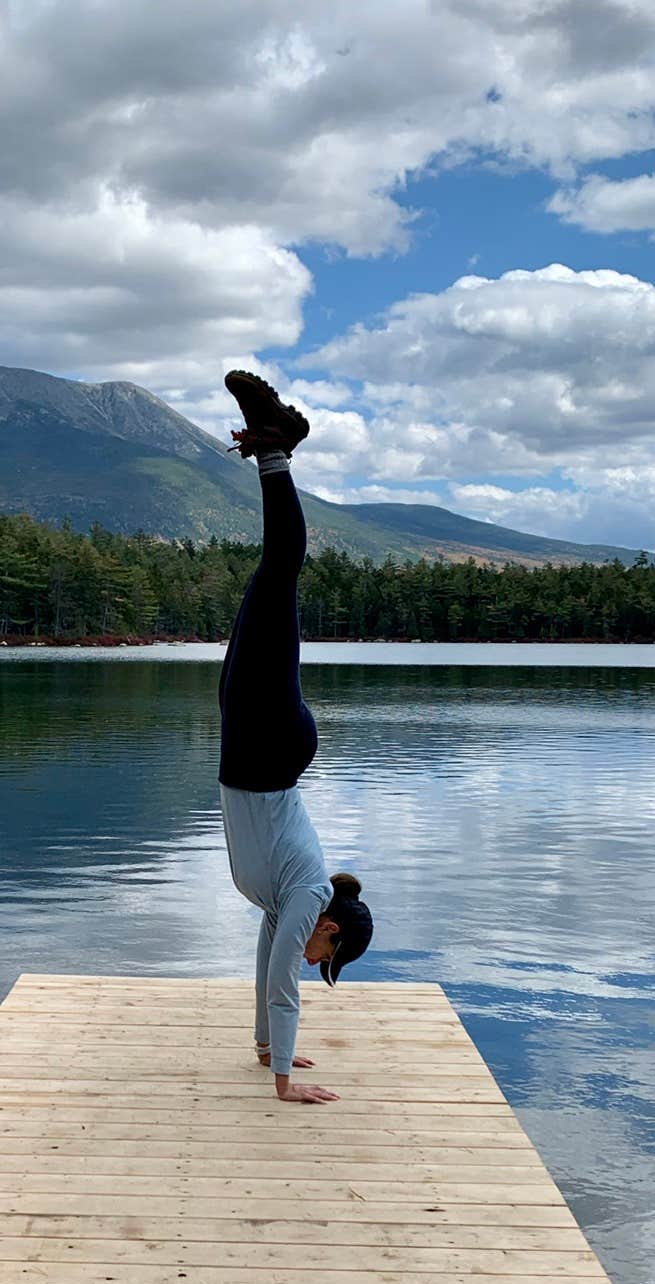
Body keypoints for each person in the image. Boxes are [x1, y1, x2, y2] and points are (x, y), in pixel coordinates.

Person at [217, 369, 374, 1105]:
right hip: (267, 752)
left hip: (253, 750)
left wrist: (261, 1048)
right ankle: (277, 447)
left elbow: (265, 967)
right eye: (327, 958)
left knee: (263, 586)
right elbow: (285, 981)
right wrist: (283, 1083)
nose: (313, 961)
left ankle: (276, 447)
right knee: (279, 577)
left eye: (320, 965)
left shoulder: (290, 900)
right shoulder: (310, 893)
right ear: (333, 930)